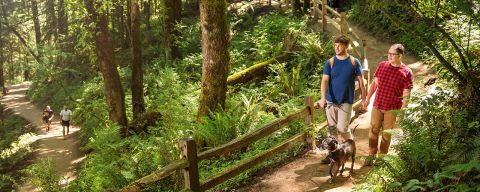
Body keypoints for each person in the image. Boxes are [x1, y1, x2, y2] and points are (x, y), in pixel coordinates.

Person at [314, 35, 367, 164]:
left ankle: (351, 146)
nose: (336, 48)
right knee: (332, 129)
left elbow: (361, 81)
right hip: (331, 100)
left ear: (346, 47)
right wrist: (322, 98)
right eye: (335, 45)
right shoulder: (330, 62)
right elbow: (324, 80)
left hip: (346, 101)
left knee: (342, 128)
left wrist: (364, 99)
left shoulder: (354, 62)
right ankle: (332, 155)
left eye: (339, 45)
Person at [364, 44, 413, 166]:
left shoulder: (406, 72)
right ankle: (371, 155)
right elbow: (374, 84)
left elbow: (407, 92)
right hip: (378, 104)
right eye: (388, 53)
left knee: (386, 134)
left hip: (392, 108)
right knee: (373, 130)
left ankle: (381, 158)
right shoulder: (382, 65)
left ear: (400, 55)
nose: (389, 56)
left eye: (392, 54)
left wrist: (403, 110)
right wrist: (368, 98)